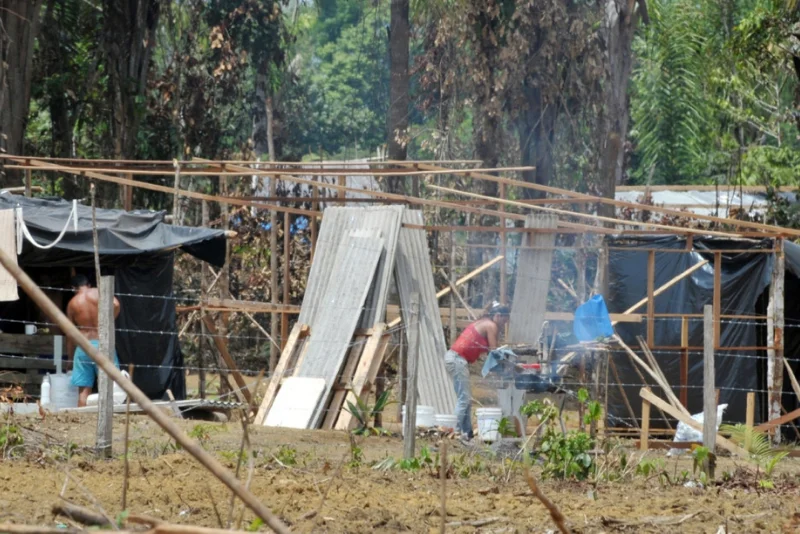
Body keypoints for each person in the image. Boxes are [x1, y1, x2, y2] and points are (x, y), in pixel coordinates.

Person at [444, 302, 510, 440]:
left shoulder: (484, 322)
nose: (505, 323)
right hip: (457, 359)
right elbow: (494, 351)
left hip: (456, 359)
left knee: (465, 399)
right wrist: (506, 365)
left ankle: (467, 433)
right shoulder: (491, 326)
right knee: (464, 398)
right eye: (504, 319)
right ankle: (453, 431)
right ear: (498, 316)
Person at [66, 275, 121, 407]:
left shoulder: (72, 303)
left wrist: (69, 358)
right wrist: (109, 319)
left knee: (83, 390)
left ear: (73, 288)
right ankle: (108, 419)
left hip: (84, 347)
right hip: (102, 344)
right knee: (109, 386)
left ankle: (80, 421)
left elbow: (69, 333)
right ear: (88, 285)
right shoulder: (98, 293)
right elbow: (116, 304)